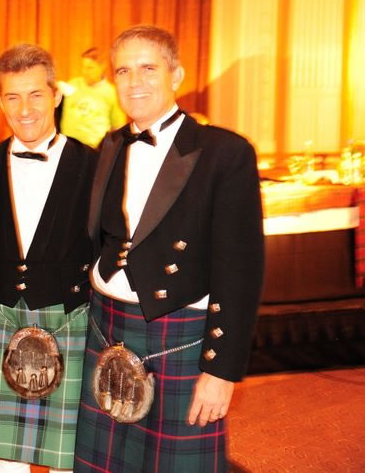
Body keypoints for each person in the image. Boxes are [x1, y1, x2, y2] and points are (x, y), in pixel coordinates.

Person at [74, 25, 264, 472]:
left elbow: (240, 271)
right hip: (105, 327)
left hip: (177, 335)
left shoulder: (224, 152)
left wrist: (219, 372)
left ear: (176, 74)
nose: (134, 81)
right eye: (123, 71)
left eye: (148, 68)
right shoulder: (110, 145)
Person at [0, 44, 98, 473]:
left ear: (56, 95)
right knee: (4, 460)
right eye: (12, 96)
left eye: (35, 95)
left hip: (69, 317)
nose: (24, 109)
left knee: (66, 460)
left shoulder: (95, 165)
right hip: (1, 316)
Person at [59, 47, 126, 147]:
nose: (85, 71)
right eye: (83, 67)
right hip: (68, 145)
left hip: (94, 149)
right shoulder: (72, 84)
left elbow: (118, 126)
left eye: (90, 68)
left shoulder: (111, 93)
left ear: (102, 67)